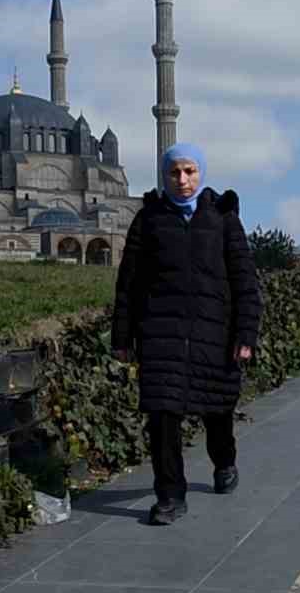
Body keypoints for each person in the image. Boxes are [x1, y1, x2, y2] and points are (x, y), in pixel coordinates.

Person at [113, 143, 263, 526]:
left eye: (190, 171)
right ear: (164, 176)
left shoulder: (223, 218)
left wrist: (246, 333)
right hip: (161, 334)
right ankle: (169, 496)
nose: (182, 180)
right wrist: (122, 337)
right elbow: (128, 283)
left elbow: (245, 281)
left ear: (201, 174)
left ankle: (224, 461)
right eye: (174, 172)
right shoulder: (148, 219)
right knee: (163, 417)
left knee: (218, 412)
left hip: (215, 333)